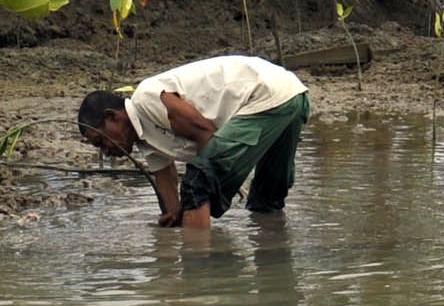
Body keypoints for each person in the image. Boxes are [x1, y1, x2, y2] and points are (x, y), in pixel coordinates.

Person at [77, 54, 311, 228]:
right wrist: (175, 216)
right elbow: (165, 177)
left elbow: (203, 132)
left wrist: (197, 193)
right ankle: (274, 255)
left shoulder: (146, 98)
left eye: (100, 141)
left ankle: (199, 274)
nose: (105, 152)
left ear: (112, 117)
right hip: (291, 95)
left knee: (196, 183)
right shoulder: (146, 139)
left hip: (263, 94)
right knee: (265, 199)